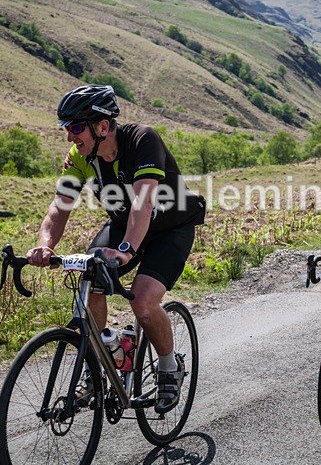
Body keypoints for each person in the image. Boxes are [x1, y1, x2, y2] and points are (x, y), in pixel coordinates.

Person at [26, 85, 205, 414]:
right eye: (67, 128)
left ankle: (169, 367)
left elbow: (143, 203)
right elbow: (59, 208)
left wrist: (125, 250)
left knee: (143, 301)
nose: (70, 136)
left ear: (103, 126)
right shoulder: (81, 157)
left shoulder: (143, 141)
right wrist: (44, 246)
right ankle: (106, 358)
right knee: (89, 275)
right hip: (125, 226)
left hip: (170, 227)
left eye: (76, 127)